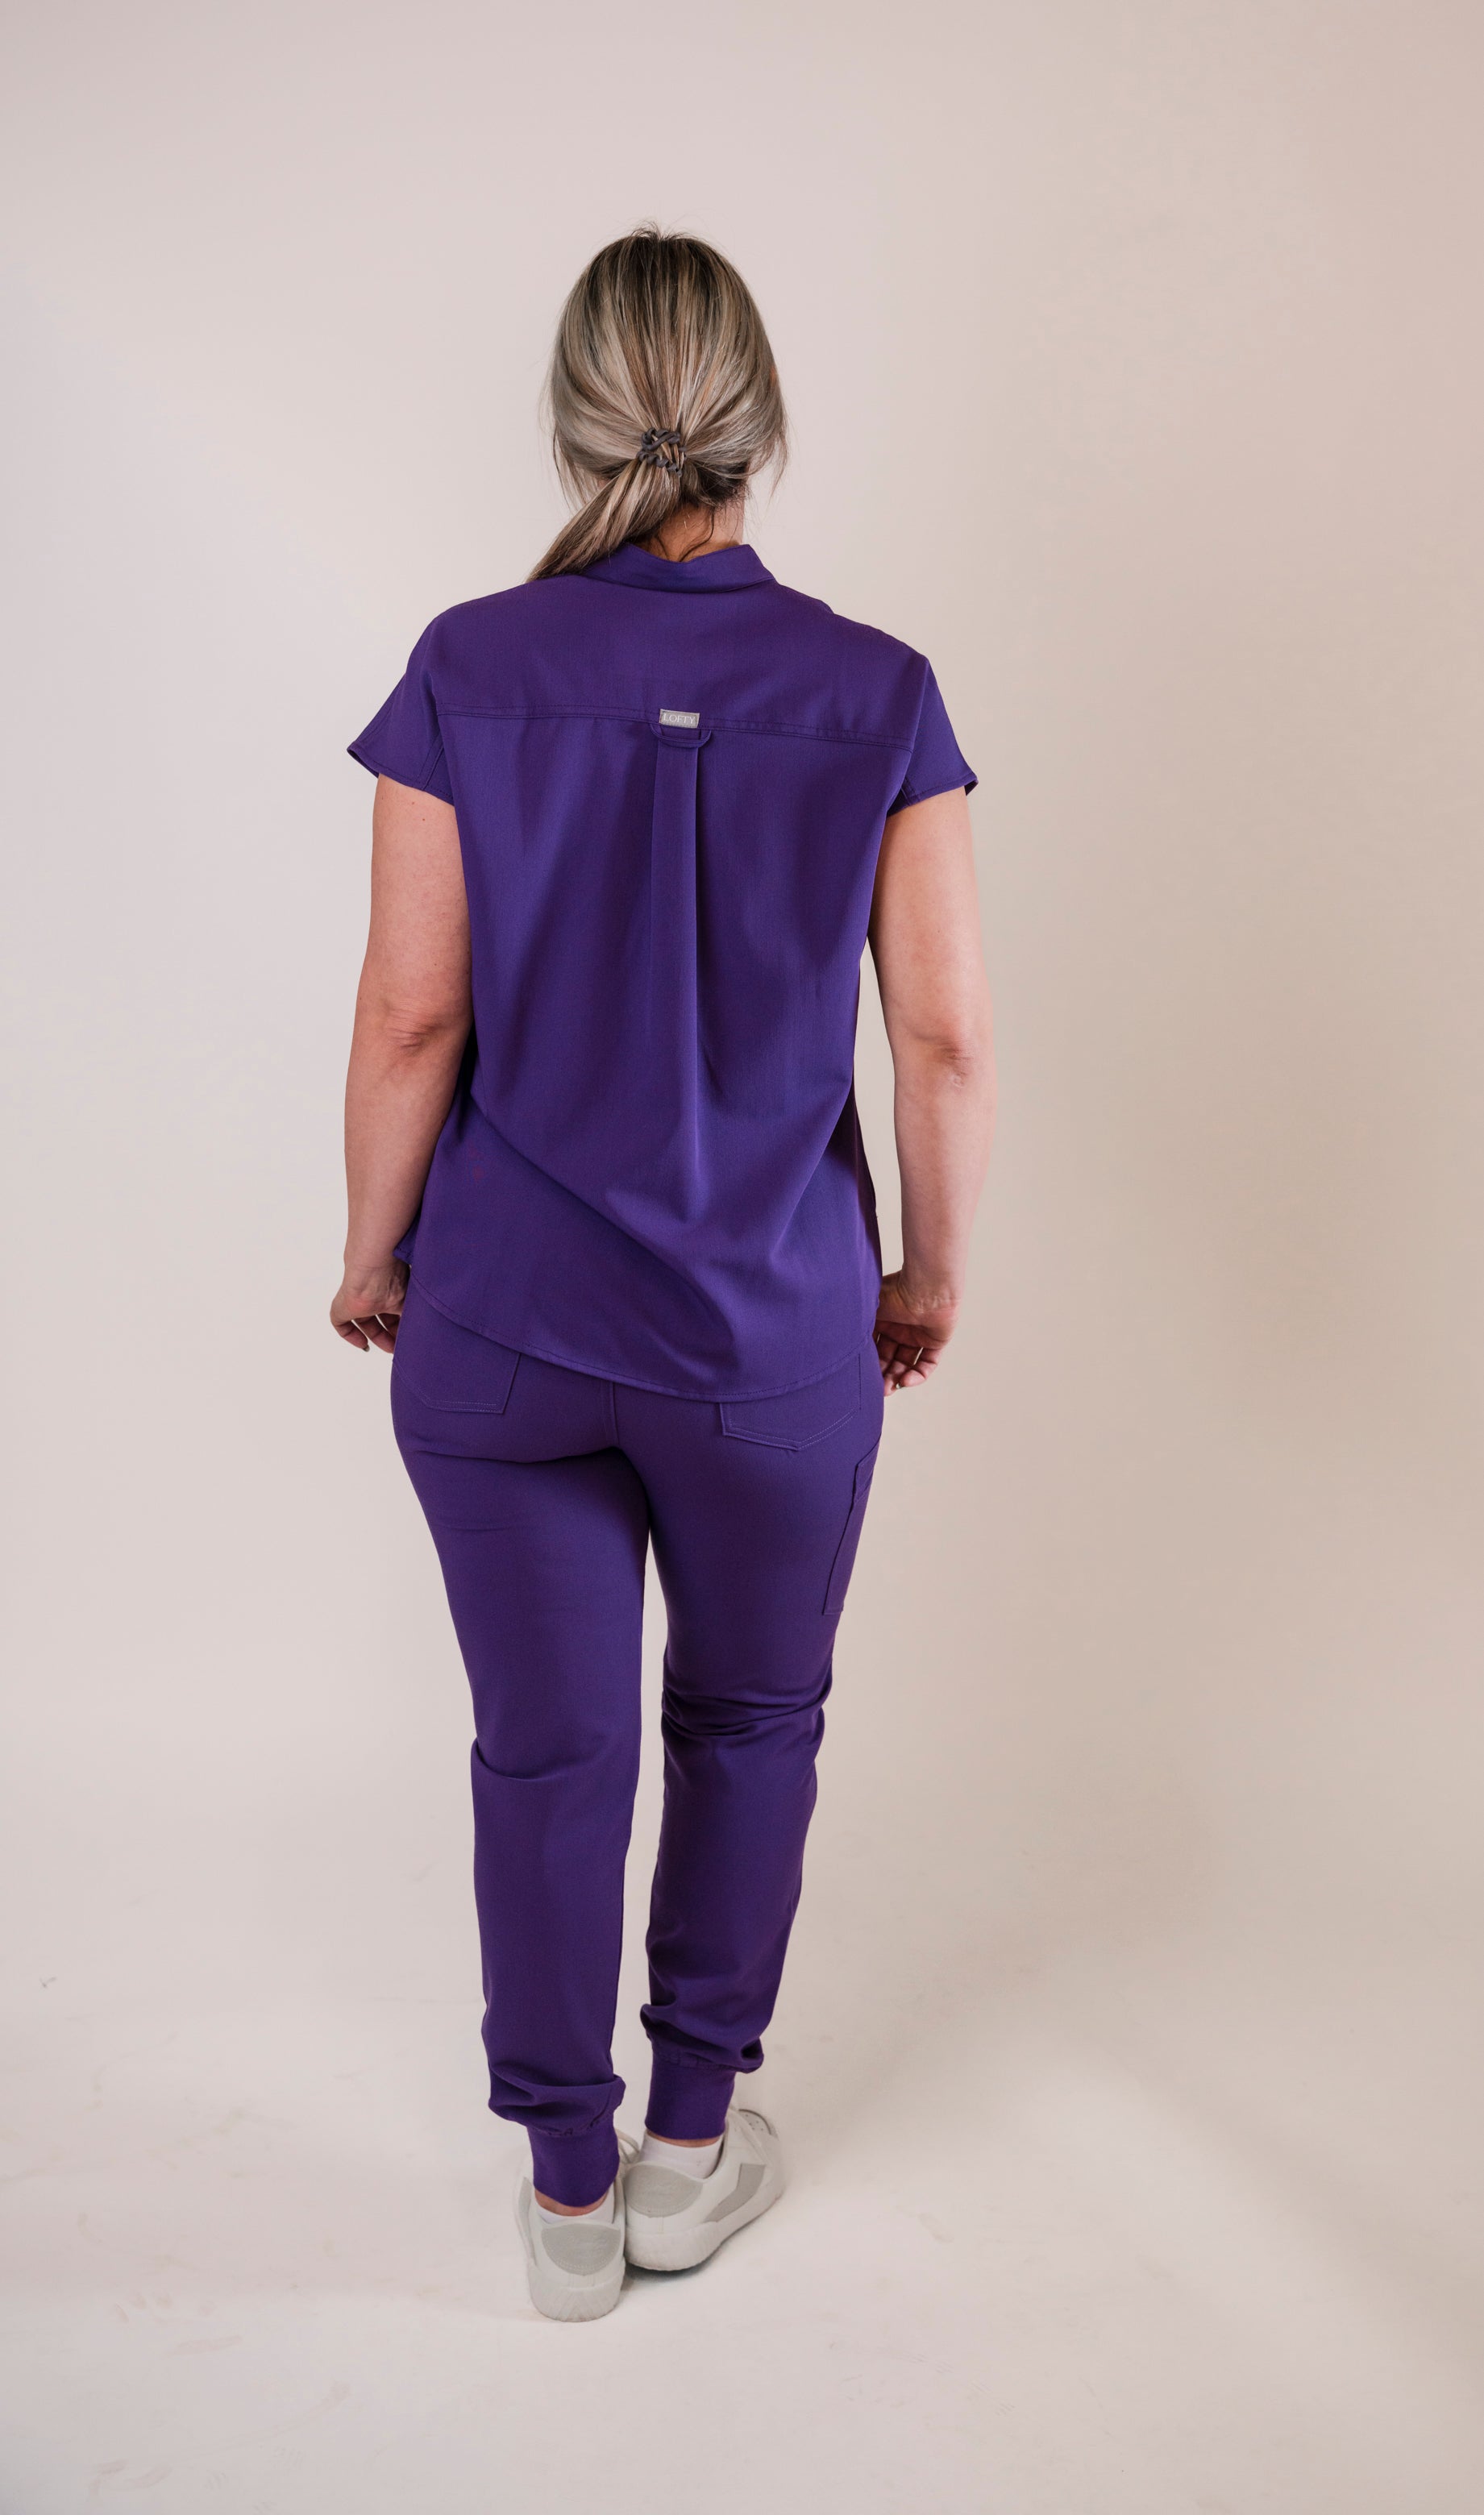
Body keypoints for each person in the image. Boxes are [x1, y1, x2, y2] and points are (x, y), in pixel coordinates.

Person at [331, 227, 994, 2322]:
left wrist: (370, 1252)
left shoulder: (468, 664)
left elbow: (409, 1020)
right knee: (750, 1723)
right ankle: (689, 2156)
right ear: (757, 424)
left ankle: (561, 2190)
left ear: (574, 422)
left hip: (504, 1328)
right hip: (769, 1341)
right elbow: (943, 1041)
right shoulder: (876, 692)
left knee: (546, 1753)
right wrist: (924, 1271)